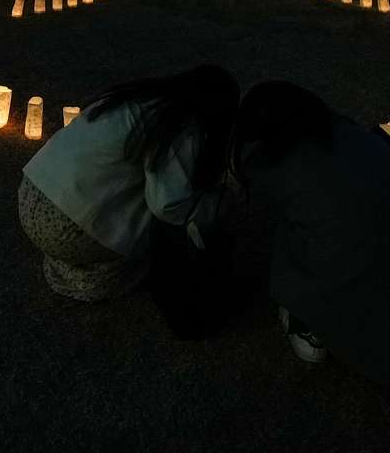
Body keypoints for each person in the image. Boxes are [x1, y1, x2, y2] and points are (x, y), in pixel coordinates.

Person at [231, 82, 390, 388]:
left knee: (288, 244)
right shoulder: (360, 136)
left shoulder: (278, 164)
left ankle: (308, 325)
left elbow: (258, 216)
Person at [18, 66, 240, 302]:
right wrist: (218, 205)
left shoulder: (133, 99)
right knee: (143, 258)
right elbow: (168, 205)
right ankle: (83, 265)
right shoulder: (176, 125)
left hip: (30, 197)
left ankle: (69, 256)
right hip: (65, 225)